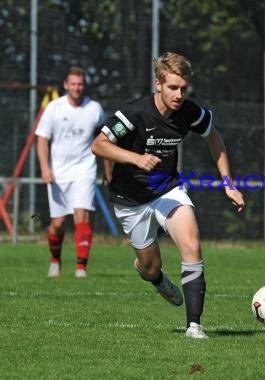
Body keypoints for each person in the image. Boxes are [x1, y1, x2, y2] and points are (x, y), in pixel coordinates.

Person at [91, 52, 245, 339]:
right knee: (150, 267)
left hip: (167, 189)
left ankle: (194, 326)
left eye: (184, 88)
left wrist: (228, 183)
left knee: (191, 242)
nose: (179, 95)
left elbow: (214, 138)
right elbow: (99, 145)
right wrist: (136, 158)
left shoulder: (190, 112)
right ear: (158, 84)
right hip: (130, 198)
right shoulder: (135, 113)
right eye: (173, 87)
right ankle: (156, 279)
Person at [36, 67, 105, 279]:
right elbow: (42, 140)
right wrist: (45, 168)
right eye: (73, 83)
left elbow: (105, 138)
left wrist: (109, 168)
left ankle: (81, 268)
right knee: (57, 224)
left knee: (82, 214)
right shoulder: (54, 108)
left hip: (85, 169)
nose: (77, 87)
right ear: (66, 85)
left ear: (84, 85)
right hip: (58, 174)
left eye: (80, 84)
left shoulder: (95, 109)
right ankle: (55, 261)